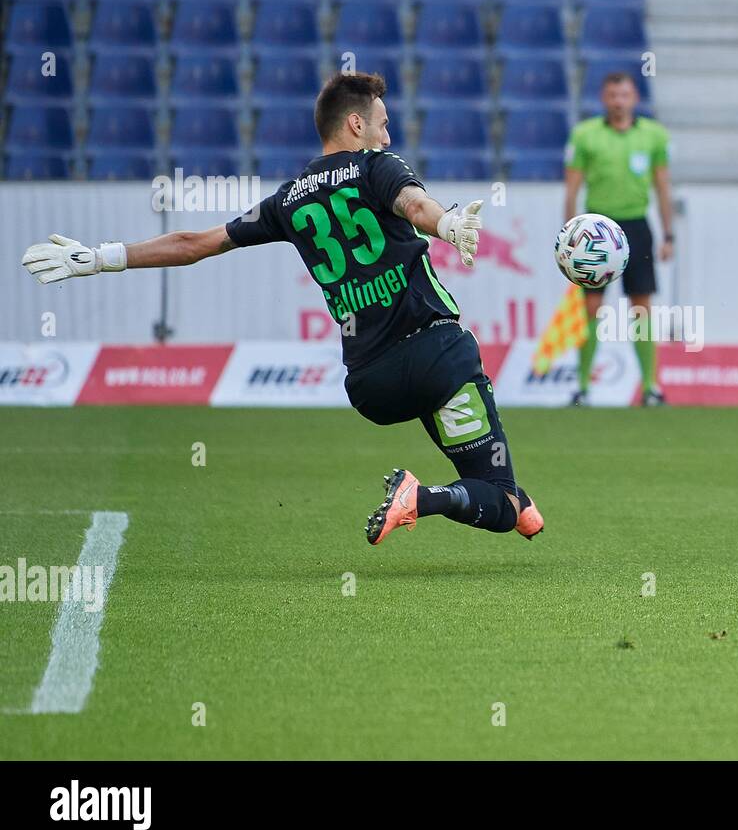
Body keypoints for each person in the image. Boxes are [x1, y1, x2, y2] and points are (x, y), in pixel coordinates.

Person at [21, 72, 543, 545]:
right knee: (497, 498)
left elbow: (193, 244)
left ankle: (520, 509)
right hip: (436, 356)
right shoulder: (375, 166)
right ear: (356, 124)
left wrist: (99, 258)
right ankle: (428, 498)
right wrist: (447, 223)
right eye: (383, 125)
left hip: (371, 385)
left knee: (502, 496)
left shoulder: (288, 200)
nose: (388, 137)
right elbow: (414, 204)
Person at [563, 71, 674, 406]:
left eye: (624, 95)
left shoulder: (653, 135)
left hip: (637, 226)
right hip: (595, 230)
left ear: (634, 98)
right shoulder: (585, 135)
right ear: (604, 98)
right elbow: (572, 189)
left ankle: (650, 387)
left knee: (641, 306)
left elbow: (663, 187)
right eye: (612, 95)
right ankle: (583, 386)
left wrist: (668, 234)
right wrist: (570, 235)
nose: (618, 101)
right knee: (591, 307)